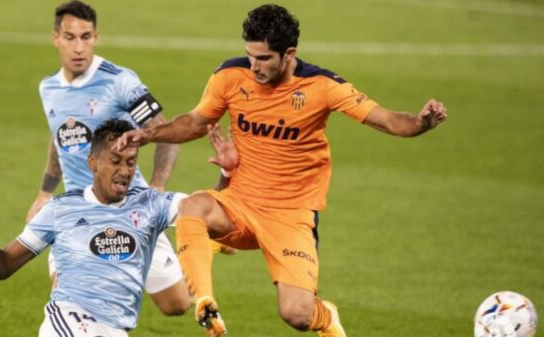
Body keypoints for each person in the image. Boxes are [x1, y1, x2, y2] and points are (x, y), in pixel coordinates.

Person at [115, 4, 448, 337]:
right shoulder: (230, 76)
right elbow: (194, 123)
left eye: (263, 59)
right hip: (241, 205)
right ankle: (205, 301)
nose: (253, 66)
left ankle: (326, 317)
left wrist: (420, 123)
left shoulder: (322, 86)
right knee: (193, 206)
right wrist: (147, 135)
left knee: (297, 315)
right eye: (250, 56)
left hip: (291, 215)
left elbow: (387, 119)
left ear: (289, 53)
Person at [24, 0, 191, 315]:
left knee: (177, 305)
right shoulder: (49, 88)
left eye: (86, 37)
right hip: (77, 211)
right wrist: (45, 191)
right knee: (71, 301)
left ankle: (196, 252)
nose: (78, 47)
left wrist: (156, 186)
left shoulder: (120, 82)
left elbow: (167, 134)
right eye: (70, 37)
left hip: (130, 206)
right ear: (55, 38)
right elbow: (61, 138)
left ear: (96, 37)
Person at [0, 119, 192, 337]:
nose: (124, 170)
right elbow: (3, 266)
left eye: (130, 162)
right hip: (69, 323)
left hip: (115, 329)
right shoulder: (60, 210)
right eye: (115, 161)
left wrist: (225, 176)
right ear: (93, 163)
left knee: (177, 304)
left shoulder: (150, 205)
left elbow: (207, 210)